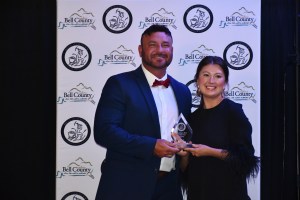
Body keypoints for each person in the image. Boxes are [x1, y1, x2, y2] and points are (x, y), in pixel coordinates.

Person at [93, 24, 192, 200]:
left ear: (172, 50)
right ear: (140, 50)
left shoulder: (183, 91)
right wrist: (151, 146)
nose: (160, 50)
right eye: (152, 44)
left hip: (169, 188)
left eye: (165, 45)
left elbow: (183, 134)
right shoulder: (120, 84)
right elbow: (104, 132)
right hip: (126, 187)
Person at [173, 56, 260, 200]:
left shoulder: (233, 111)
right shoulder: (191, 119)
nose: (211, 81)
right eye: (206, 75)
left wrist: (211, 152)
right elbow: (185, 171)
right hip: (198, 194)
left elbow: (245, 159)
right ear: (197, 81)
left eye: (218, 76)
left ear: (225, 82)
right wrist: (184, 155)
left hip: (229, 194)